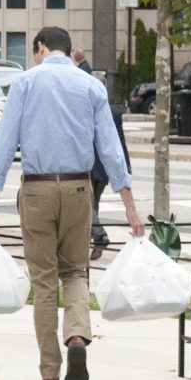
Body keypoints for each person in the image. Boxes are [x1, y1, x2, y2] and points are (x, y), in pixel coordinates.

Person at [0, 26, 145, 380]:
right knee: (75, 271)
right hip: (79, 187)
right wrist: (131, 209)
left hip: (36, 188)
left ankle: (50, 375)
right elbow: (111, 151)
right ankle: (77, 337)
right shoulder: (92, 87)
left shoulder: (25, 83)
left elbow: (3, 145)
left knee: (44, 281)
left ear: (40, 47)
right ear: (69, 51)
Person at [88, 70, 130, 259]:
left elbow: (116, 141)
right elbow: (119, 142)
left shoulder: (89, 109)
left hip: (90, 166)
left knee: (86, 205)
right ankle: (95, 236)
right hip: (104, 168)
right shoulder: (114, 111)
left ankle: (99, 235)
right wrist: (125, 166)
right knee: (92, 203)